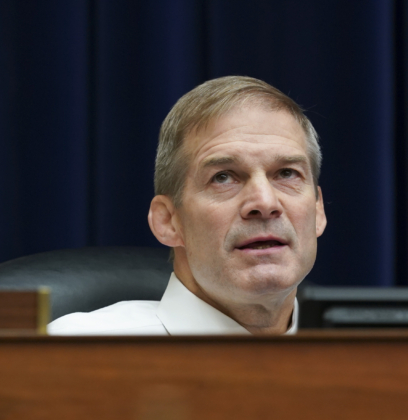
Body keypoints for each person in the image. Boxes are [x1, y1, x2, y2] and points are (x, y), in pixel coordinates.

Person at [48, 76, 326, 335]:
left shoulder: (364, 360)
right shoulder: (76, 351)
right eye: (223, 177)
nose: (265, 203)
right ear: (168, 221)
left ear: (317, 211)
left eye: (287, 174)